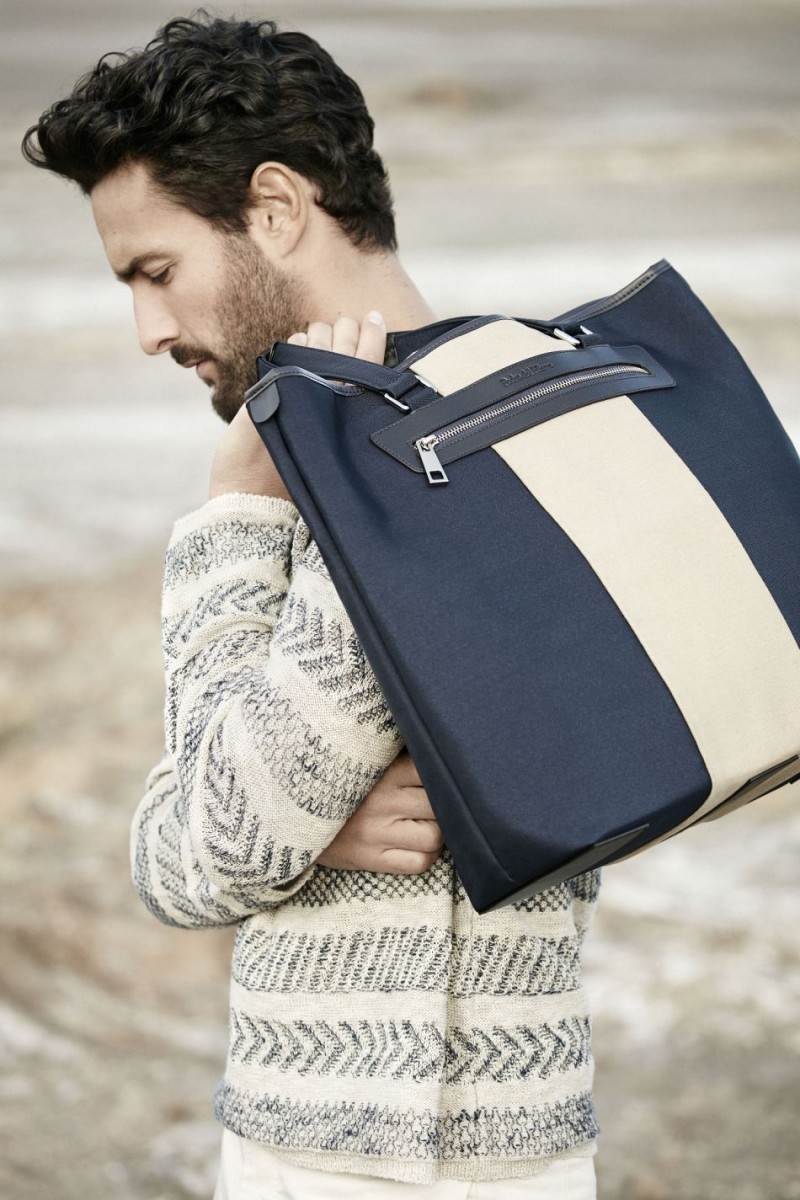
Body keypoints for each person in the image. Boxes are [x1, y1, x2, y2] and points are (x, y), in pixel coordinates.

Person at [23, 15, 600, 1198]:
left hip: (446, 1159)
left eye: (155, 271)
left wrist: (237, 508)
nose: (148, 332)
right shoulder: (510, 415)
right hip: (338, 1139)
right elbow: (170, 855)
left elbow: (216, 842)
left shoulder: (424, 450)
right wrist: (299, 828)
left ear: (276, 208)